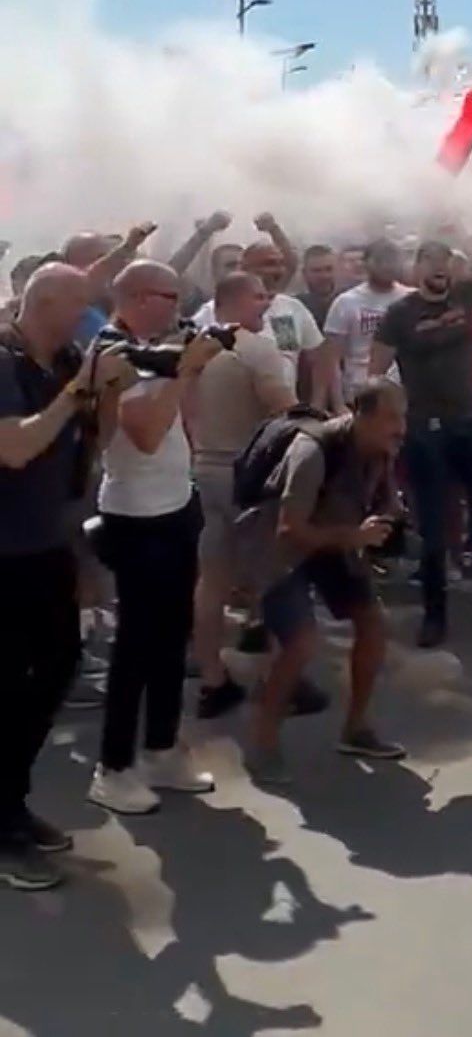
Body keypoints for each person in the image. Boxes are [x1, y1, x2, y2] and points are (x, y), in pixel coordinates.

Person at [0, 265, 134, 890]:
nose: (90, 316)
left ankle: (11, 806)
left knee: (55, 671)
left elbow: (91, 448)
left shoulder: (70, 359)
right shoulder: (5, 362)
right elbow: (17, 447)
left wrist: (104, 392)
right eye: (81, 304)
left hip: (48, 544)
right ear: (46, 303)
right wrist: (76, 388)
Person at [89, 262, 224, 816]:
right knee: (137, 645)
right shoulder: (112, 350)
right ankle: (113, 767)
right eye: (171, 296)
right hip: (134, 515)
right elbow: (144, 433)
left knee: (173, 636)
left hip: (174, 505)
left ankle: (162, 747)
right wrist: (186, 371)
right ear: (140, 297)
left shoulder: (155, 346)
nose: (180, 305)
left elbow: (182, 423)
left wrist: (182, 366)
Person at [246, 380, 408, 782]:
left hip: (335, 544)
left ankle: (357, 729)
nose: (399, 427)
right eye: (390, 418)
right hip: (283, 551)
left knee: (373, 623)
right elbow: (288, 529)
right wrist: (354, 536)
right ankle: (263, 745)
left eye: (402, 417)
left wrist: (390, 512)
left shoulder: (381, 450)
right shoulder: (312, 451)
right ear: (361, 415)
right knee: (301, 644)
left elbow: (384, 499)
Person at [371, 241, 472, 647]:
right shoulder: (399, 314)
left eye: (444, 261)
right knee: (435, 531)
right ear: (417, 267)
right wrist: (387, 423)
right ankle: (434, 616)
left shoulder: (466, 294)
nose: (439, 268)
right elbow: (375, 372)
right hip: (427, 432)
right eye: (430, 261)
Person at [190, 272, 297, 720]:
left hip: (204, 470)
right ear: (231, 300)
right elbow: (286, 409)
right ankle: (283, 682)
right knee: (274, 576)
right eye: (257, 296)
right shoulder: (255, 347)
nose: (266, 302)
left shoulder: (194, 346)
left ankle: (212, 678)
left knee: (212, 579)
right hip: (247, 475)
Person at [195, 230, 328, 404]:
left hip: (282, 416)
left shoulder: (290, 308)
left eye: (281, 264)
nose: (278, 270)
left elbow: (318, 360)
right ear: (244, 268)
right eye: (269, 264)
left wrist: (317, 403)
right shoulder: (213, 312)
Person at [323, 238, 411, 404]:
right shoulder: (346, 302)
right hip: (358, 393)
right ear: (366, 263)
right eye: (380, 260)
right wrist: (338, 404)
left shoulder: (411, 298)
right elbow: (331, 359)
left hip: (403, 393)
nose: (387, 266)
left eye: (392, 260)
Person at [297, 245, 340, 330]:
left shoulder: (351, 303)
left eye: (329, 269)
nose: (324, 276)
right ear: (304, 273)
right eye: (317, 271)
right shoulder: (291, 306)